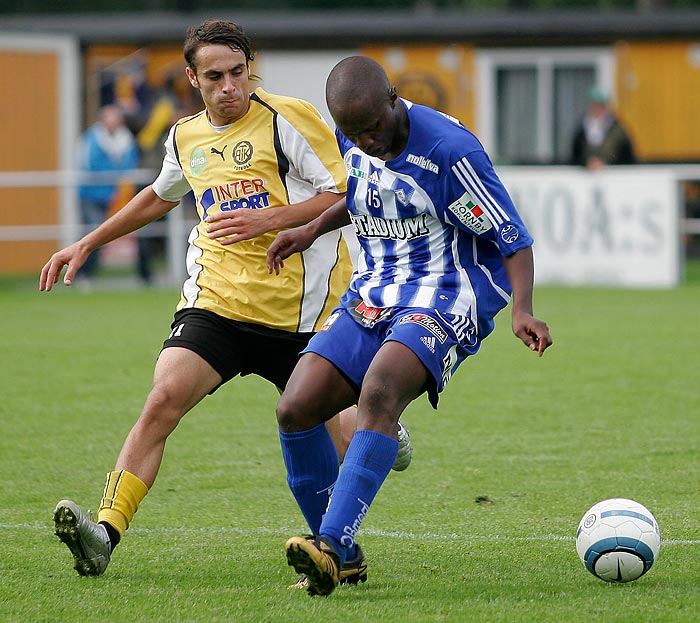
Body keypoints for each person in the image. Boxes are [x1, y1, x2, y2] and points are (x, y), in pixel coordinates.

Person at [40, 21, 411, 582]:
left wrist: (272, 219)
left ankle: (371, 430)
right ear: (192, 78)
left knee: (340, 438)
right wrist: (89, 242)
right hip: (218, 305)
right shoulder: (185, 136)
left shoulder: (288, 119)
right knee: (163, 398)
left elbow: (346, 193)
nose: (230, 86)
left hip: (303, 318)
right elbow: (159, 195)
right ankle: (104, 534)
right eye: (215, 77)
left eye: (238, 73)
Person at [266, 55, 553, 597]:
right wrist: (309, 230)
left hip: (447, 296)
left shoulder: (448, 151)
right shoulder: (352, 138)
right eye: (353, 133)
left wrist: (522, 309)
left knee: (378, 393)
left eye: (372, 128)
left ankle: (327, 545)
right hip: (375, 291)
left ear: (393, 97)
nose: (366, 142)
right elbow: (359, 196)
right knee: (295, 407)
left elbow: (512, 236)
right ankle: (343, 558)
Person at [77, 104, 139, 280]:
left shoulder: (125, 139)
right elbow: (91, 165)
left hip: (114, 195)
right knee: (92, 234)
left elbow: (130, 164)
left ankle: (88, 274)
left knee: (103, 235)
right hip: (90, 195)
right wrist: (115, 170)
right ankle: (83, 274)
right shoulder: (91, 138)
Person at [570, 86, 636, 170]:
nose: (596, 110)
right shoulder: (582, 129)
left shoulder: (617, 130)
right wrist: (587, 162)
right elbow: (576, 154)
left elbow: (626, 156)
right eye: (593, 106)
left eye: (599, 106)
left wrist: (605, 163)